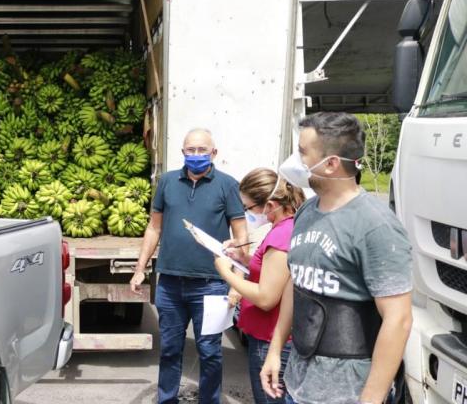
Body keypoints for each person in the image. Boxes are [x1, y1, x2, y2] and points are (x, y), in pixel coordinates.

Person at [260, 112, 413, 404]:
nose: (296, 161)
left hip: (349, 393)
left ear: (331, 164)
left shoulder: (375, 225)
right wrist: (275, 349)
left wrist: (371, 398)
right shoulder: (307, 212)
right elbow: (298, 283)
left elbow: (399, 319)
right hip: (298, 385)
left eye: (303, 152)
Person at [129, 128, 248, 404]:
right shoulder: (167, 182)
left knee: (209, 351)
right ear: (182, 152)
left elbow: (242, 239)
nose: (196, 155)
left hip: (211, 283)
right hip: (170, 283)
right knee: (170, 349)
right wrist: (140, 268)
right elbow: (153, 227)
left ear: (213, 153)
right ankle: (166, 400)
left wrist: (236, 283)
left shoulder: (227, 185)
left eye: (202, 150)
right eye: (191, 150)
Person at [211, 168, 305, 404]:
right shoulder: (287, 228)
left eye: (249, 208)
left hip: (271, 339)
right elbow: (274, 273)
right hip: (273, 337)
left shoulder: (282, 235)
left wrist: (226, 273)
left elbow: (266, 297)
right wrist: (243, 260)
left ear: (270, 205)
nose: (247, 213)